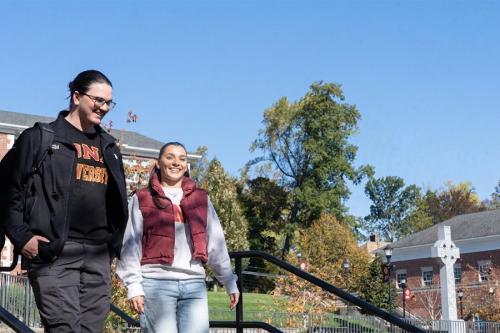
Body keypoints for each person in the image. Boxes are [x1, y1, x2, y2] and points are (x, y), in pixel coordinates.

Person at [0, 70, 128, 332]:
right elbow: (6, 189)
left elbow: (118, 202)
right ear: (76, 96)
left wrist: (113, 246)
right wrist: (21, 237)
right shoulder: (41, 138)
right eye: (98, 100)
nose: (103, 108)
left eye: (108, 103)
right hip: (54, 252)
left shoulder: (109, 148)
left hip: (97, 255)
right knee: (63, 328)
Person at [117, 142, 239, 333]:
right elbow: (131, 245)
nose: (176, 163)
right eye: (170, 157)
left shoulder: (201, 199)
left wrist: (229, 281)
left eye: (182, 159)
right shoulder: (142, 198)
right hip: (156, 284)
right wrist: (134, 286)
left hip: (194, 285)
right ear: (158, 162)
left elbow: (216, 242)